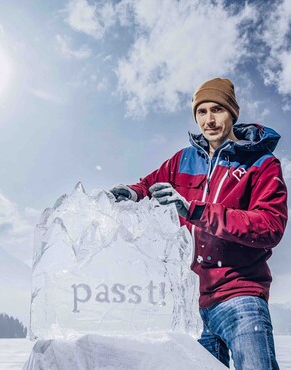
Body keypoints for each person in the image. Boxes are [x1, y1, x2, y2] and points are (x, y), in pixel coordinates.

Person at [110, 78, 288, 369]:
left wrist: (194, 210)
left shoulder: (261, 163)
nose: (209, 119)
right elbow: (148, 185)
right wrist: (131, 193)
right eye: (201, 112)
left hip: (240, 295)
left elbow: (270, 226)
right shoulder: (183, 160)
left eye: (217, 109)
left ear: (232, 114)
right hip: (192, 305)